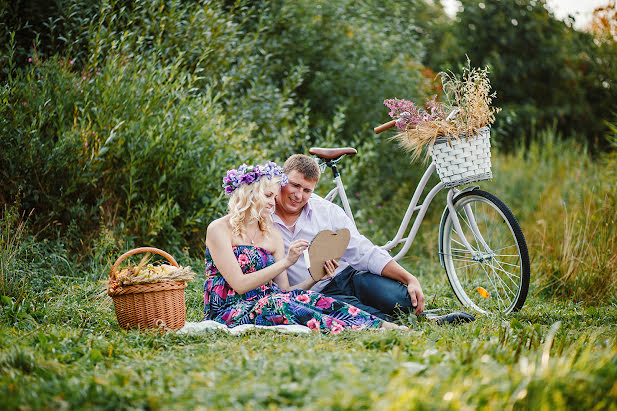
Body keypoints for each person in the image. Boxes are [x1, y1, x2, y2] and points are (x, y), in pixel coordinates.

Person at [203, 161, 406, 333]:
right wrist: (286, 262)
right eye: (268, 196)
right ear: (249, 193)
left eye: (274, 197)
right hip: (229, 309)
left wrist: (313, 279)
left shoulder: (270, 234)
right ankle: (358, 328)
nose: (273, 203)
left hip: (270, 301)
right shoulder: (219, 229)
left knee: (312, 298)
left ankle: (382, 325)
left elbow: (286, 291)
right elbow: (239, 284)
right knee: (280, 303)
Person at [273, 154, 426, 321]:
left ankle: (410, 314)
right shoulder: (263, 216)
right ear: (281, 178)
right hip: (317, 294)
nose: (299, 195)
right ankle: (394, 322)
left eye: (307, 190)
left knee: (404, 301)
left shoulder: (326, 211)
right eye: (295, 185)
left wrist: (410, 278)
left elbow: (363, 251)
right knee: (370, 317)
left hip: (349, 277)